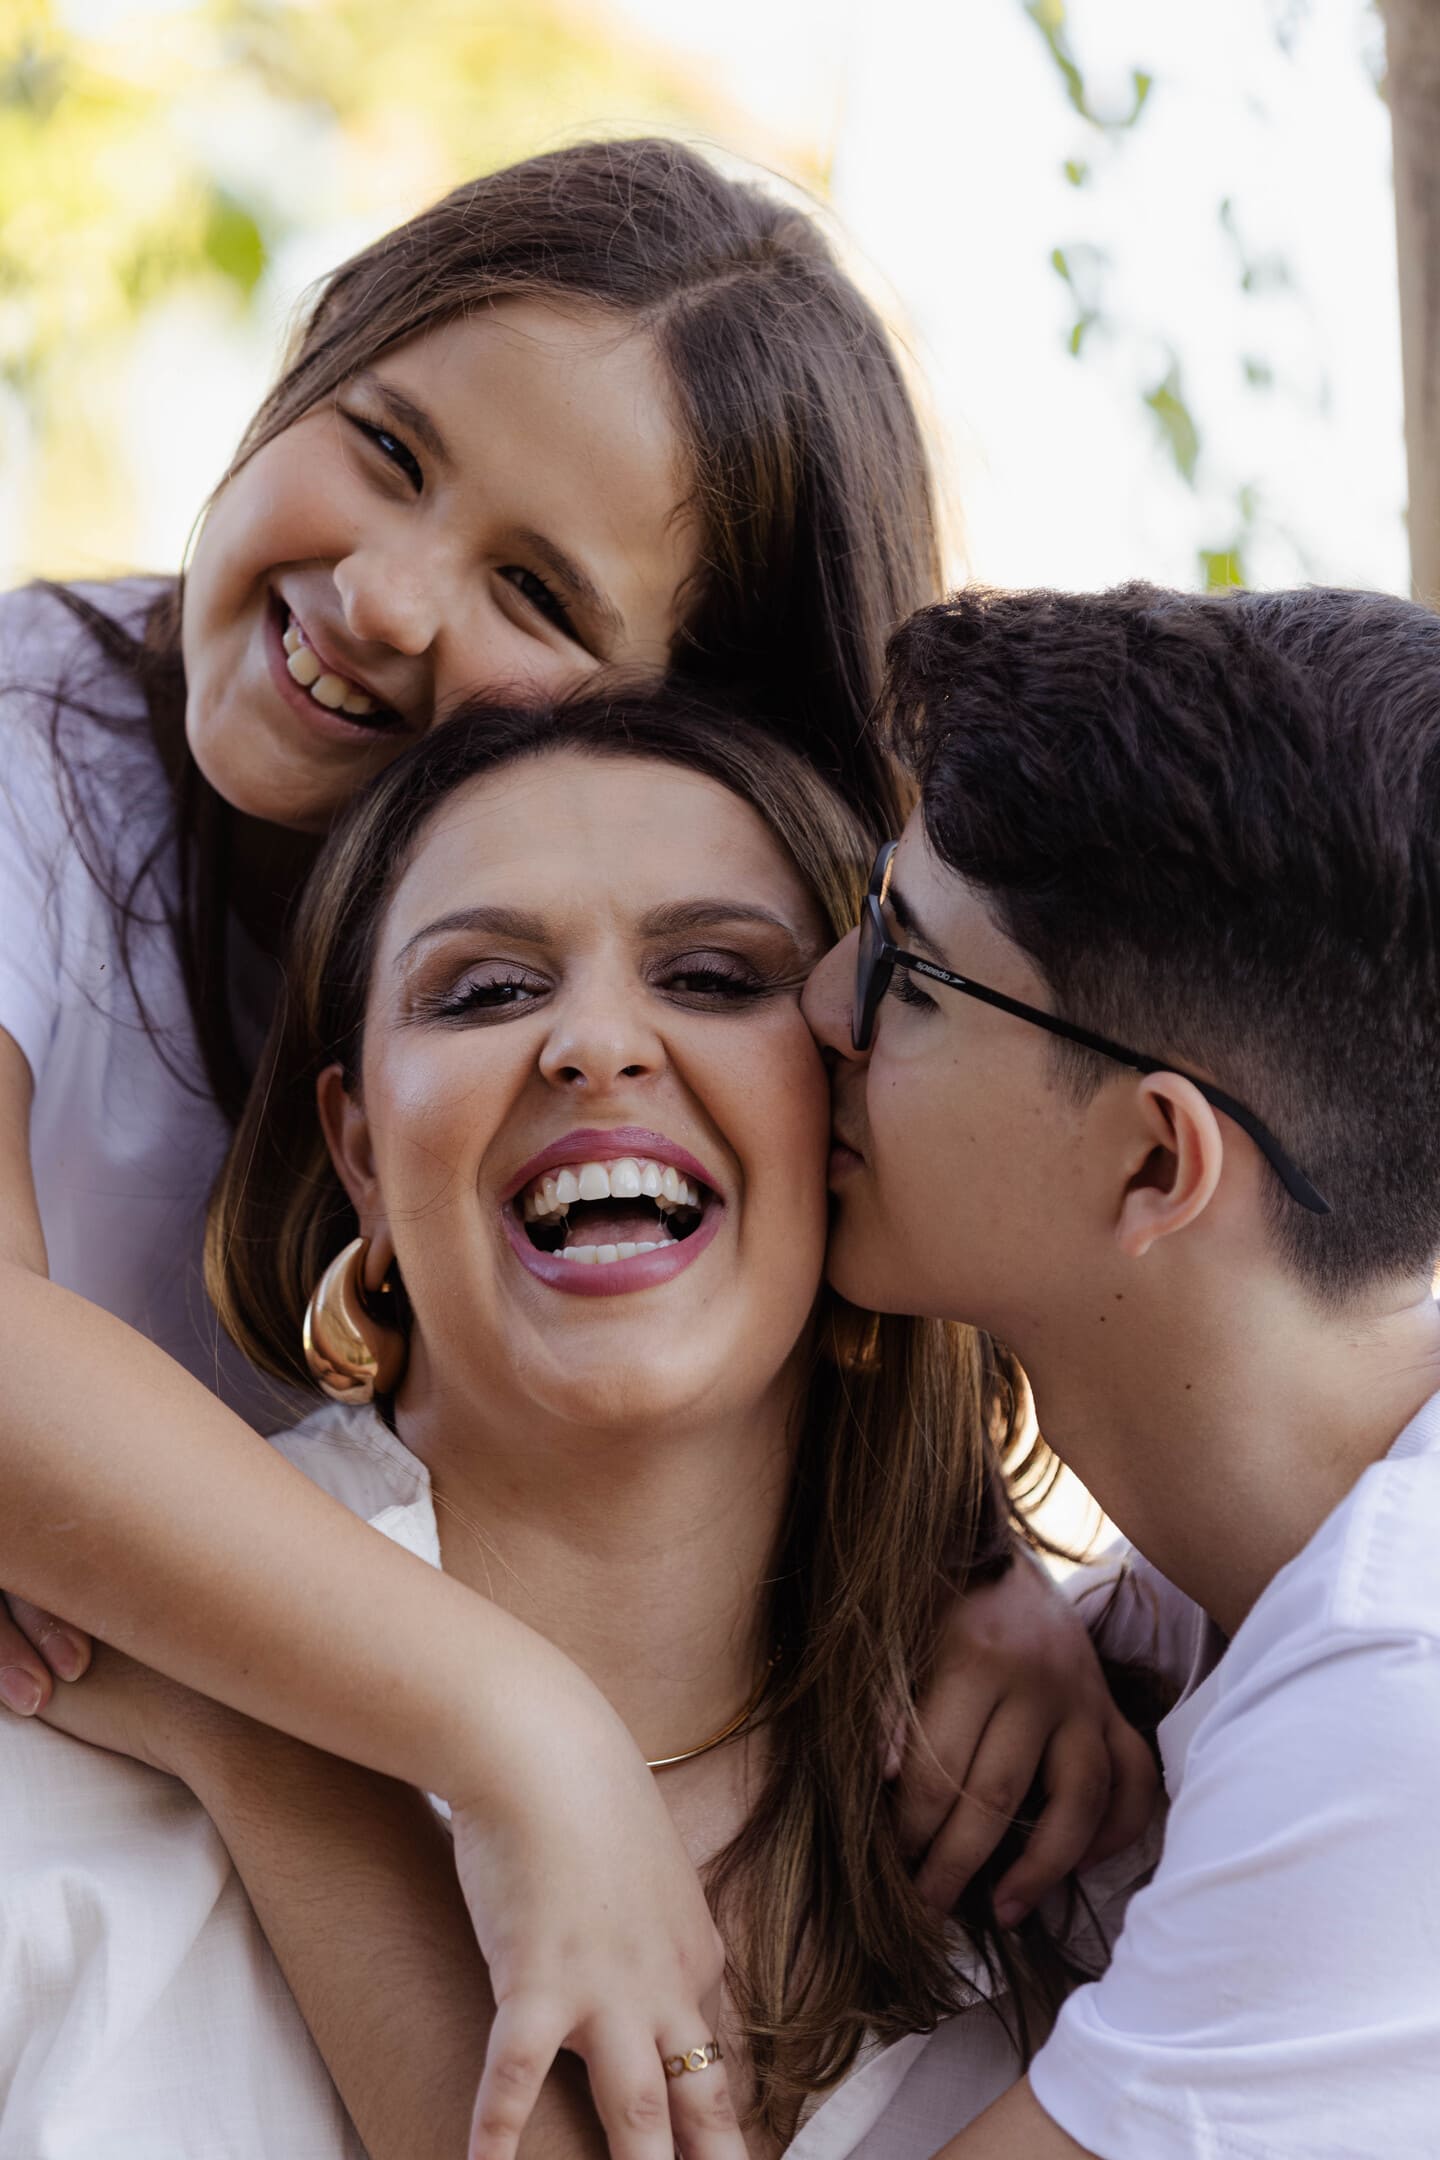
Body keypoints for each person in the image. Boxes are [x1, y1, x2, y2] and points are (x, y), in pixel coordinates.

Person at [0, 141, 1146, 2150]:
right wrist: (524, 1745)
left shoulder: (1091, 1860)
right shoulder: (34, 741)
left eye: (536, 590)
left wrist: (982, 1569)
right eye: (380, 445)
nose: (379, 592)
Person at [803, 582, 1440, 2160]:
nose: (823, 1000)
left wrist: (283, 1748)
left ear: (1156, 1162)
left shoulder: (1395, 1700)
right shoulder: (1231, 1587)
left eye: (908, 968)